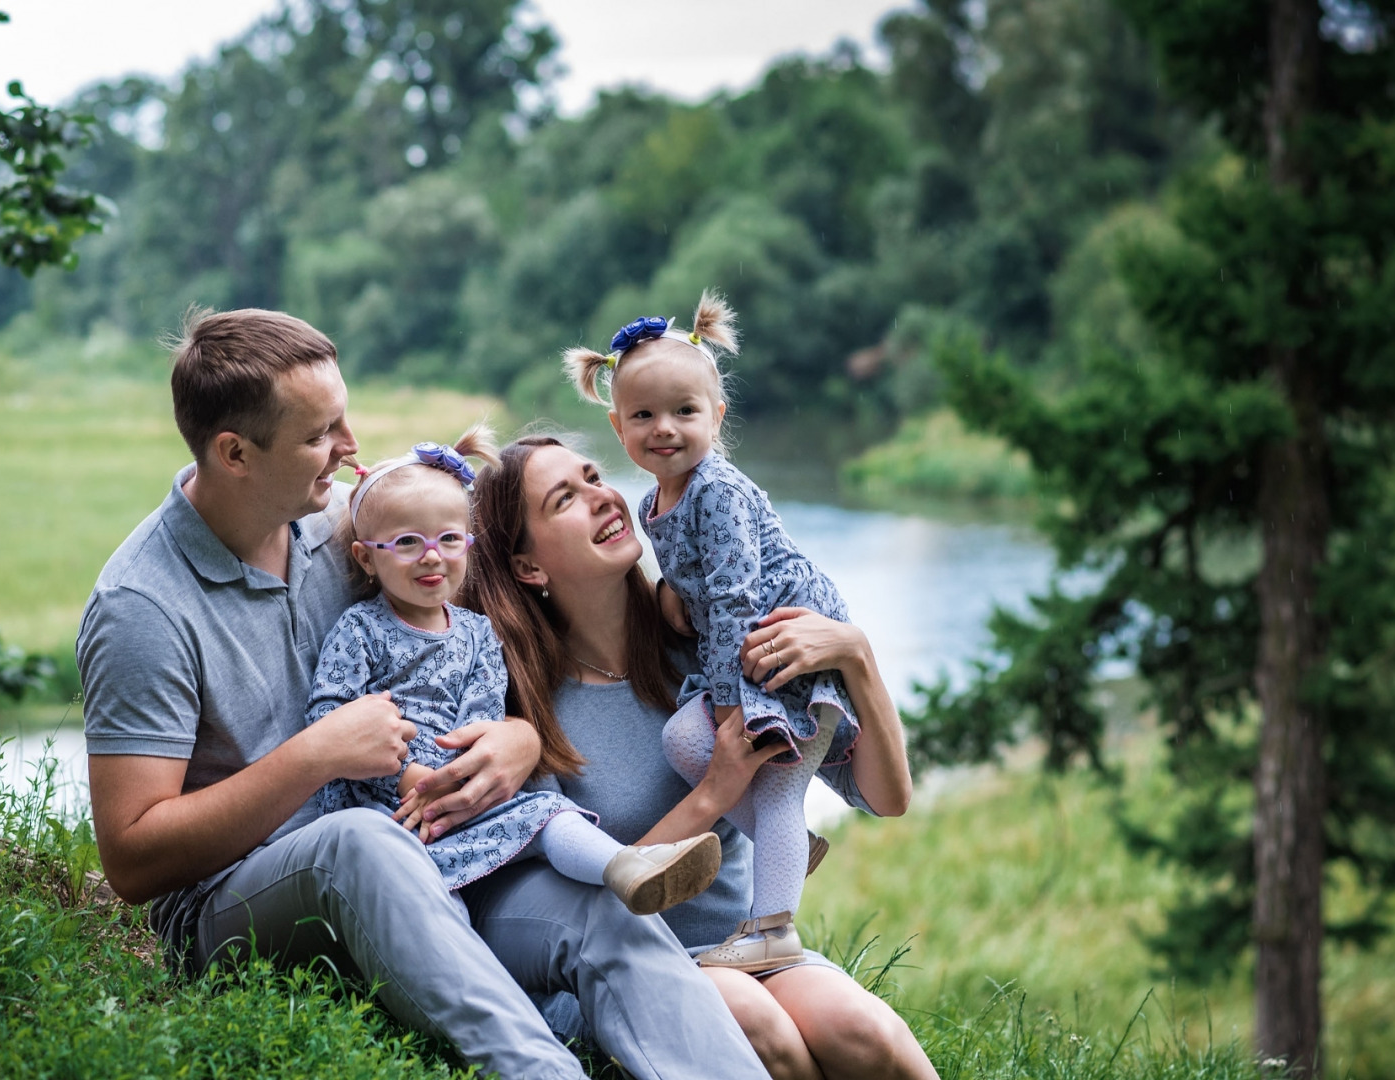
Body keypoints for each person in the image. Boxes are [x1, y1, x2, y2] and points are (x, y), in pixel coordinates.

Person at [78, 307, 771, 1080]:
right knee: (359, 846)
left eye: (342, 419)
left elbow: (469, 609)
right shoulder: (142, 606)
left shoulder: (344, 525)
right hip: (241, 901)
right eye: (319, 435)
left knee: (600, 910)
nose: (349, 451)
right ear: (234, 452)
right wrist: (317, 755)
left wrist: (520, 738)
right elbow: (134, 862)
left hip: (427, 854)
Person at [456, 435, 941, 1080]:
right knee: (765, 1032)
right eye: (564, 499)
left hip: (754, 944)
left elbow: (887, 798)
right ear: (529, 569)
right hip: (639, 962)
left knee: (868, 1033)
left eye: (594, 475)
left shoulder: (707, 646)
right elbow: (585, 901)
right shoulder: (525, 711)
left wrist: (855, 654)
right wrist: (713, 791)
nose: (602, 497)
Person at [305, 424, 721, 911]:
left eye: (448, 539)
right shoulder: (363, 630)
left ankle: (624, 865)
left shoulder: (696, 622)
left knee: (552, 815)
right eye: (407, 543)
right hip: (391, 804)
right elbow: (331, 720)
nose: (432, 555)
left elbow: (483, 719)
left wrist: (837, 647)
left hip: (463, 793)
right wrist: (413, 776)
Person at [562, 293, 858, 972]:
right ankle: (790, 844)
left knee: (770, 774)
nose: (663, 428)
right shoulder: (653, 499)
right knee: (684, 740)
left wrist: (731, 706)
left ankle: (773, 928)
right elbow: (698, 584)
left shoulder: (715, 489)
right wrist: (671, 595)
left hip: (785, 647)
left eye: (683, 412)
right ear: (617, 427)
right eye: (642, 415)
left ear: (716, 416)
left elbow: (731, 598)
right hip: (748, 656)